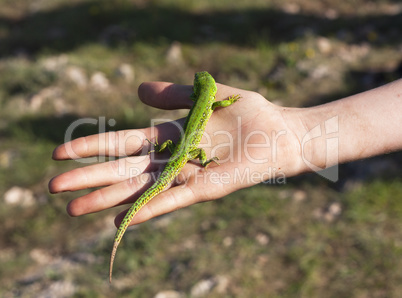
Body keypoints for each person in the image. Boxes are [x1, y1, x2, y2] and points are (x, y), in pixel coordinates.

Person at [48, 78, 402, 227]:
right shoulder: (214, 100)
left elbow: (220, 103)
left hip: (181, 149)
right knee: (179, 163)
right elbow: (225, 102)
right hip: (187, 152)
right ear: (211, 92)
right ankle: (198, 159)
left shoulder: (202, 101)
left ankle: (186, 157)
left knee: (171, 160)